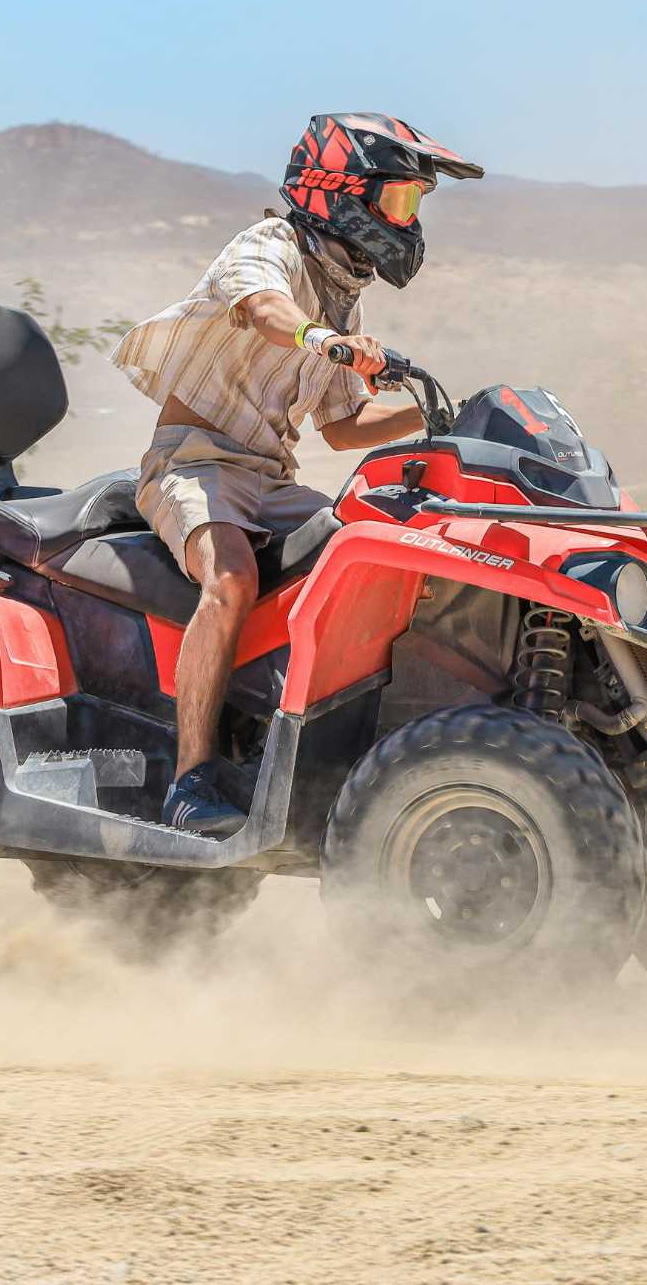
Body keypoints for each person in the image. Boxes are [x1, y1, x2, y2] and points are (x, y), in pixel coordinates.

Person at [109, 112, 484, 835]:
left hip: (271, 478)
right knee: (231, 580)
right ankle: (189, 780)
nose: (406, 218)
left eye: (413, 202)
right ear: (339, 191)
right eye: (399, 198)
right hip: (193, 461)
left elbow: (343, 427)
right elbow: (264, 308)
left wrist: (435, 415)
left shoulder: (344, 293)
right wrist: (325, 339)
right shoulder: (269, 245)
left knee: (372, 549)